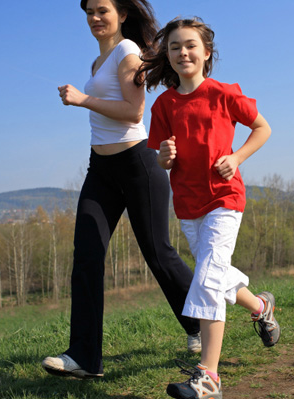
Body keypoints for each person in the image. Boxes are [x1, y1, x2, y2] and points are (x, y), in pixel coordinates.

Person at [41, 0, 201, 379]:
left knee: (159, 254)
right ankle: (84, 357)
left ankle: (200, 321)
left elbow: (134, 111)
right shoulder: (98, 63)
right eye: (89, 12)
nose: (95, 18)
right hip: (101, 169)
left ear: (122, 15)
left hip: (136, 165)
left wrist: (82, 99)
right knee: (87, 254)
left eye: (102, 10)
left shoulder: (127, 52)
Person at [136, 17, 280, 399]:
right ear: (167, 56)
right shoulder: (164, 104)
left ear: (206, 52)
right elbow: (164, 159)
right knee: (214, 271)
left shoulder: (224, 93)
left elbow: (263, 128)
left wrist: (237, 157)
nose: (183, 52)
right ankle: (260, 305)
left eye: (190, 45)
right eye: (174, 47)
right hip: (187, 204)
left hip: (224, 198)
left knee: (208, 279)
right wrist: (166, 156)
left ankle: (209, 377)